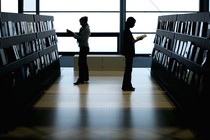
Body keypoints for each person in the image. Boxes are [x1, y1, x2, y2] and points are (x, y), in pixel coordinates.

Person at [122, 17, 146, 91]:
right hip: (129, 52)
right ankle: (127, 86)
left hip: (127, 52)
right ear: (130, 23)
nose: (134, 25)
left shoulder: (126, 30)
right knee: (128, 70)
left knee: (128, 69)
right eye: (133, 23)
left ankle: (127, 85)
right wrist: (139, 39)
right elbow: (131, 42)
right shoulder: (127, 31)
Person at [67, 16, 91, 85]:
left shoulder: (86, 29)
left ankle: (81, 79)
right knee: (83, 63)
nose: (80, 23)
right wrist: (74, 34)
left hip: (84, 47)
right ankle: (85, 78)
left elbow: (82, 38)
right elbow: (80, 37)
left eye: (81, 22)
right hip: (83, 47)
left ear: (84, 22)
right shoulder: (83, 28)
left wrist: (73, 34)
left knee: (81, 63)